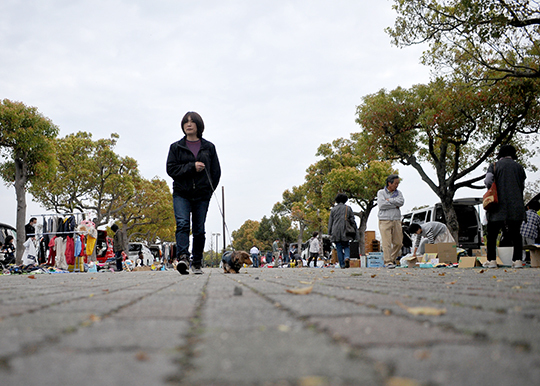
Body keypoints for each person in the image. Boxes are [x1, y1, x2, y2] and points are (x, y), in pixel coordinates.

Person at [167, 111, 221, 275]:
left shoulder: (209, 147)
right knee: (183, 224)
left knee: (199, 229)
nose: (189, 124)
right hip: (181, 193)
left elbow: (216, 172)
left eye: (192, 121)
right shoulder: (176, 147)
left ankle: (197, 262)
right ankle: (183, 257)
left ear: (199, 125)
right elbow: (171, 169)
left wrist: (209, 191)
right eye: (186, 122)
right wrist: (192, 166)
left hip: (202, 195)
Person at [484, 144, 526, 268]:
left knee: (492, 234)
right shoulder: (519, 167)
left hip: (497, 206)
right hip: (515, 206)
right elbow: (522, 185)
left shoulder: (494, 165)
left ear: (500, 154)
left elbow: (488, 180)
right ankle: (517, 260)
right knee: (516, 234)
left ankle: (492, 261)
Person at [377, 174, 404, 268]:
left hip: (396, 220)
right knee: (386, 243)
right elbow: (381, 205)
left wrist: (389, 200)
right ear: (389, 183)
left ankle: (391, 259)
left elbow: (401, 202)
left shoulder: (399, 193)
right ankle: (388, 261)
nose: (397, 185)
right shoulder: (381, 192)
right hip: (384, 220)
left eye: (398, 183)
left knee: (399, 243)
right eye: (395, 183)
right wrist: (394, 203)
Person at [328, 193, 357, 269]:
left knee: (339, 247)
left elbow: (330, 222)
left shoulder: (333, 209)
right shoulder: (348, 208)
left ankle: (342, 264)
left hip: (335, 230)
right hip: (346, 230)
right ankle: (346, 257)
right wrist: (354, 229)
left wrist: (329, 232)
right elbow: (352, 220)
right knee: (346, 245)